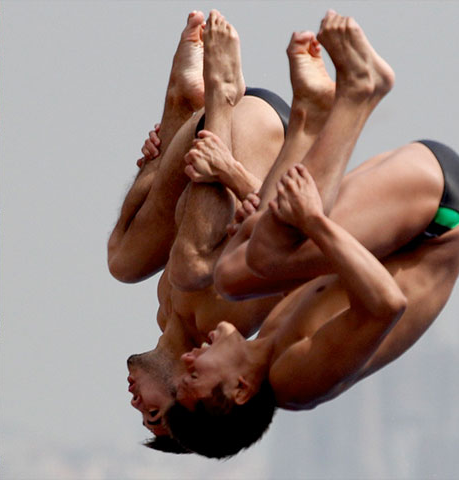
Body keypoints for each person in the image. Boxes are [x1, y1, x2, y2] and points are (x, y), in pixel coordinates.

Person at [164, 10, 459, 459]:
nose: (189, 358)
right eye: (195, 375)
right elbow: (387, 304)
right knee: (251, 263)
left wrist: (253, 204)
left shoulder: (271, 345)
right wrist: (314, 222)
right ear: (240, 390)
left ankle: (312, 110)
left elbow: (302, 250)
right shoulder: (295, 380)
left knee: (239, 266)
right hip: (435, 222)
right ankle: (356, 93)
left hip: (405, 210)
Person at [107, 10, 293, 450]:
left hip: (205, 130)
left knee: (123, 263)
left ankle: (184, 100)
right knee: (190, 268)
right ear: (189, 392)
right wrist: (232, 175)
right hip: (264, 131)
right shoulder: (227, 323)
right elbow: (290, 233)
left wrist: (155, 163)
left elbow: (166, 212)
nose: (136, 402)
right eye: (153, 413)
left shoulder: (165, 312)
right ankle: (218, 98)